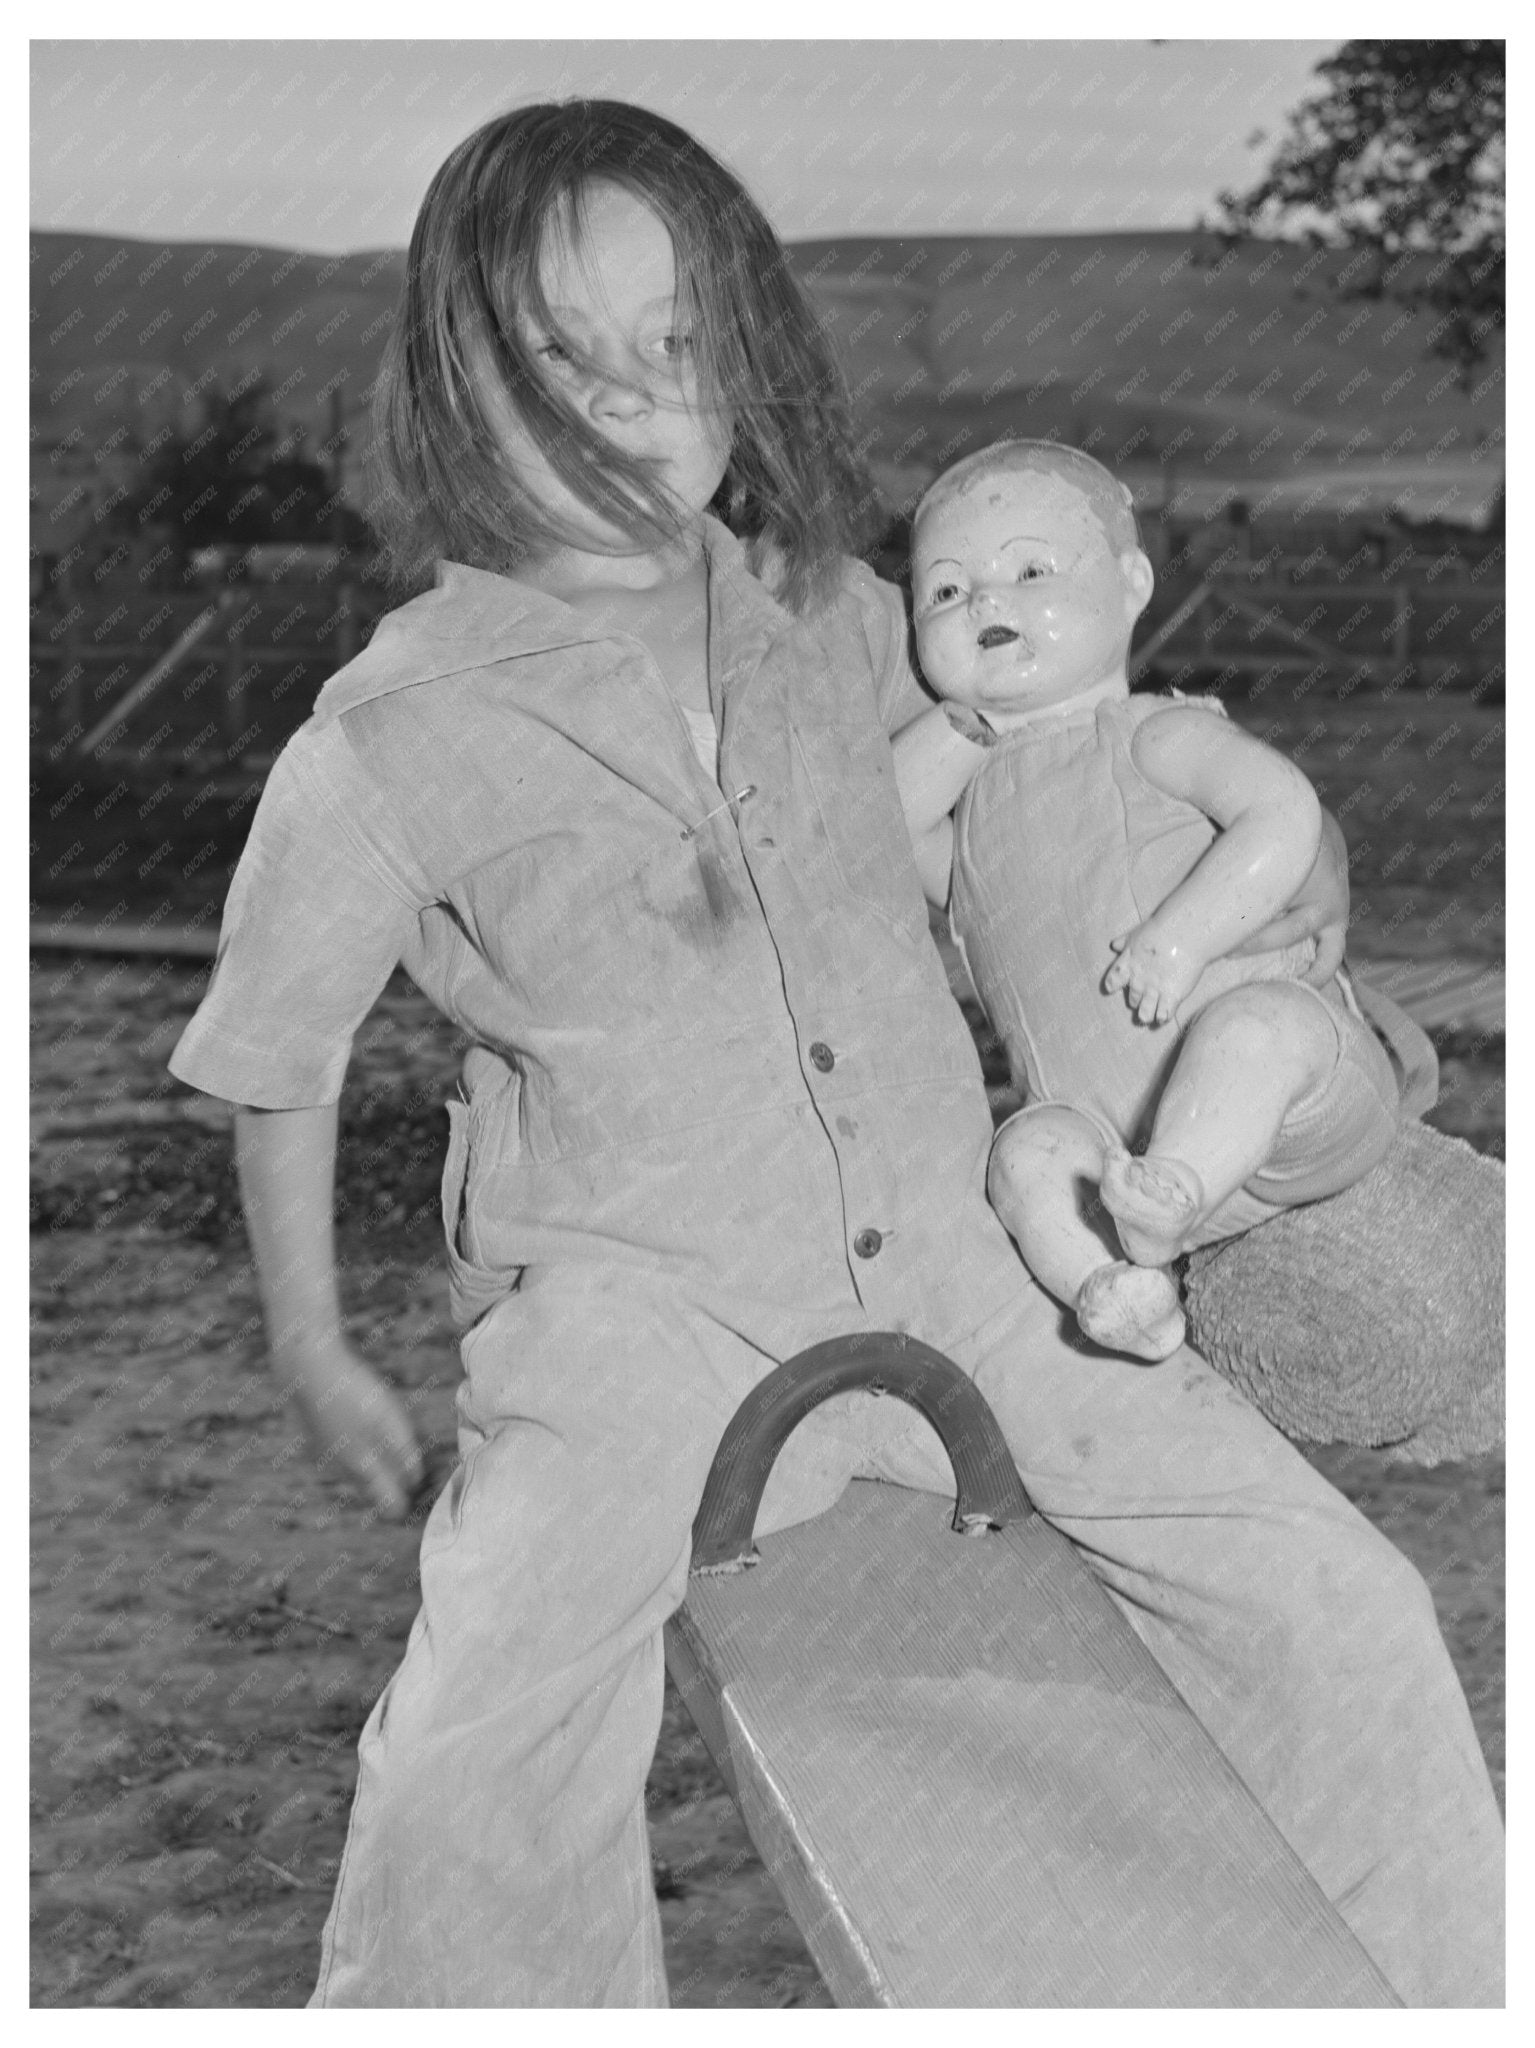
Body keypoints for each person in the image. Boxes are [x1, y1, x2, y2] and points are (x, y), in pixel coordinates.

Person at [168, 101, 1504, 2008]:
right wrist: (310, 1341)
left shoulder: (840, 617)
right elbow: (275, 1054)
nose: (635, 397)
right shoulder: (386, 733)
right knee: (479, 1745)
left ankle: (1414, 1994)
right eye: (564, 350)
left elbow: (1055, 740)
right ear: (462, 370)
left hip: (969, 1266)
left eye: (681, 341)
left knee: (1338, 1603)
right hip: (637, 1317)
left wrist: (1233, 942)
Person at [894, 442, 1403, 1362]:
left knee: (1253, 1028)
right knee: (1026, 1153)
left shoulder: (1149, 734)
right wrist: (971, 716)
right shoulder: (971, 831)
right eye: (944, 592)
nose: (985, 603)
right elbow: (878, 831)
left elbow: (1279, 809)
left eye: (1031, 569)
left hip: (1288, 1111)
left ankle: (1174, 1190)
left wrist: (1180, 942)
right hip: (1114, 1160)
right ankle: (1113, 1286)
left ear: (1130, 583)